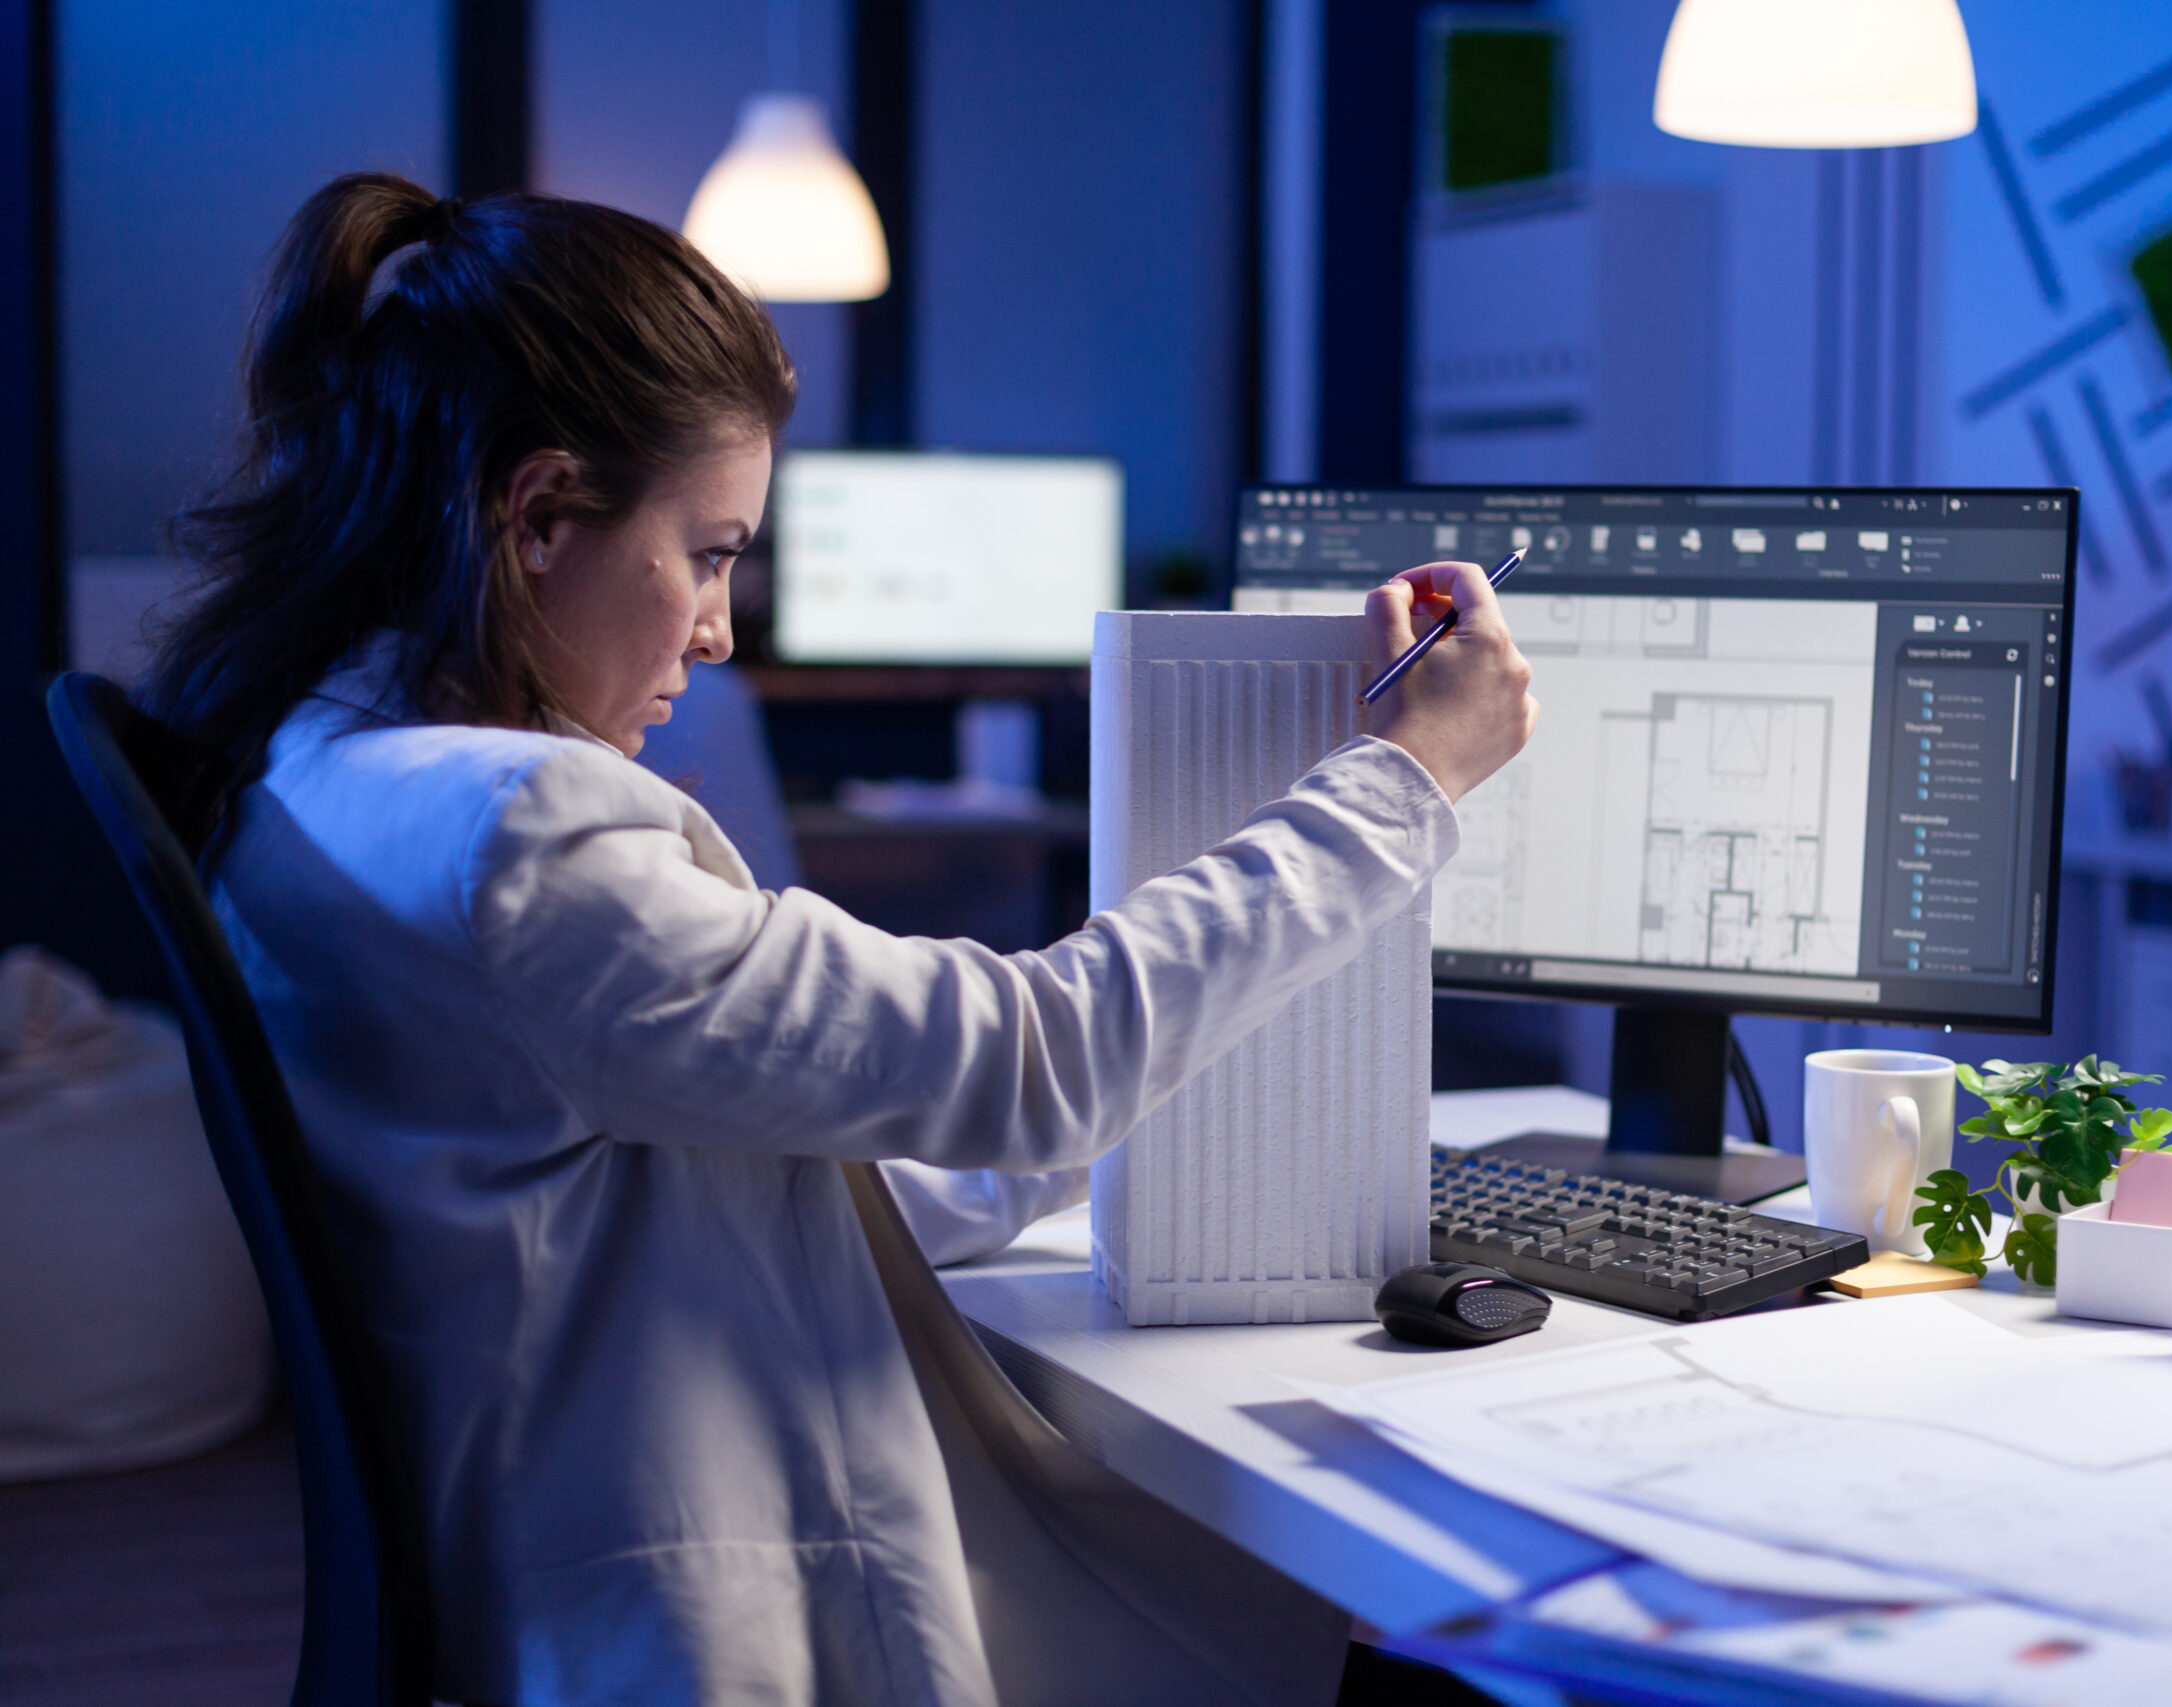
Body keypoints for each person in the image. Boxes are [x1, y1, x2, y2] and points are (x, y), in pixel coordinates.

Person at [141, 172, 1537, 1707]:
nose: (720, 629)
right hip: (714, 1612)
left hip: (562, 1560)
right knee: (1455, 1650)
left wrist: (1092, 1096)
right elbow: (1038, 1062)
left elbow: (763, 1142)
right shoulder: (518, 836)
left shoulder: (319, 769)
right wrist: (1404, 783)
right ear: (539, 515)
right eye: (713, 551)